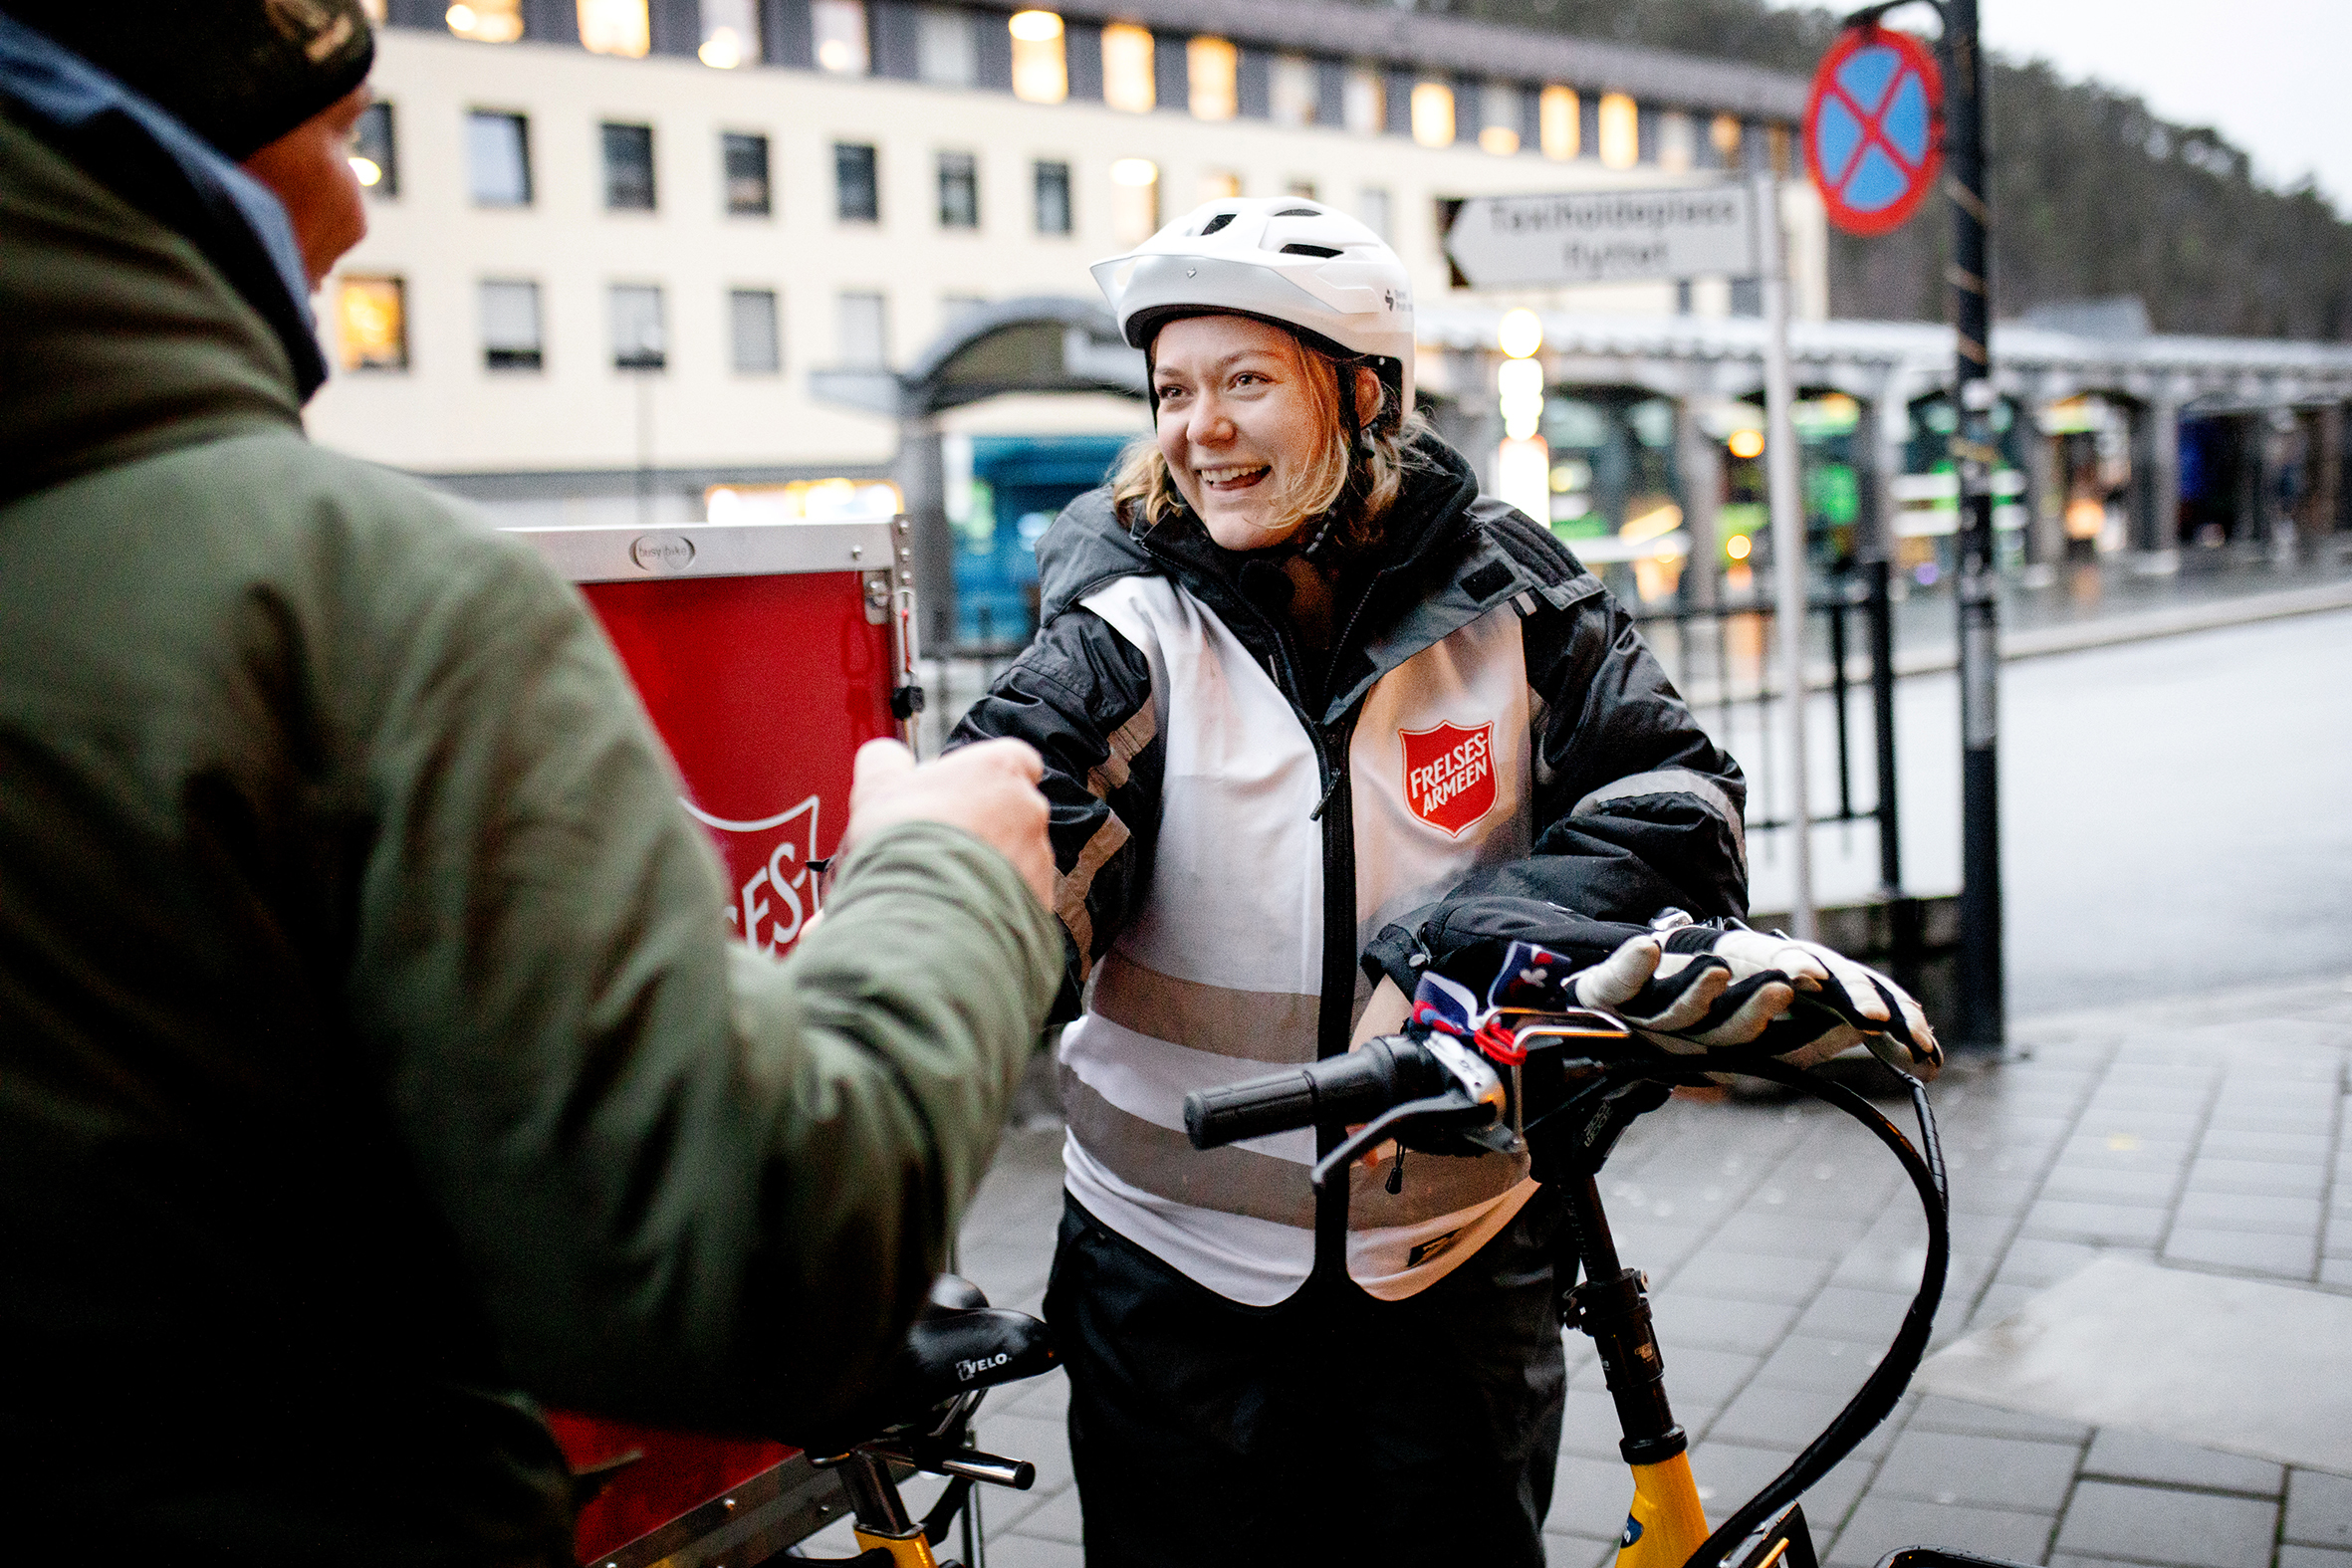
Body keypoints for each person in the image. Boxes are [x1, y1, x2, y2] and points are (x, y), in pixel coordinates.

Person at [0, 5, 1060, 1562]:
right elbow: (748, 1267)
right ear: (173, 140)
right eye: (348, 136)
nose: (360, 213)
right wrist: (950, 874)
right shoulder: (338, 590)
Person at [950, 198, 1937, 1566]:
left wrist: (1470, 950)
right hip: (1172, 1283)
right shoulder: (1126, 629)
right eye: (1173, 390)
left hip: (1455, 1266)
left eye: (1245, 382)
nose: (1198, 428)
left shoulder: (1510, 596)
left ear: (1363, 395)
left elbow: (1677, 800)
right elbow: (1007, 860)